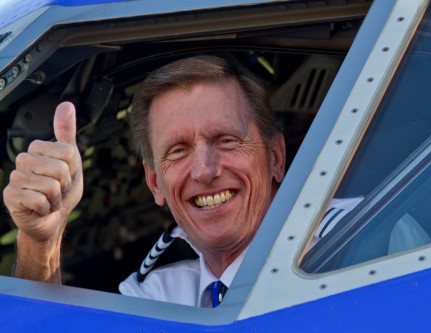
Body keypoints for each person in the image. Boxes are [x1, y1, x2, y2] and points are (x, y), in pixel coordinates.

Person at [3, 55, 287, 307]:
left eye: (226, 140)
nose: (204, 170)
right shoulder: (156, 297)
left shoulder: (330, 257)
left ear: (275, 157)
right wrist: (41, 244)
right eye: (178, 150)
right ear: (154, 184)